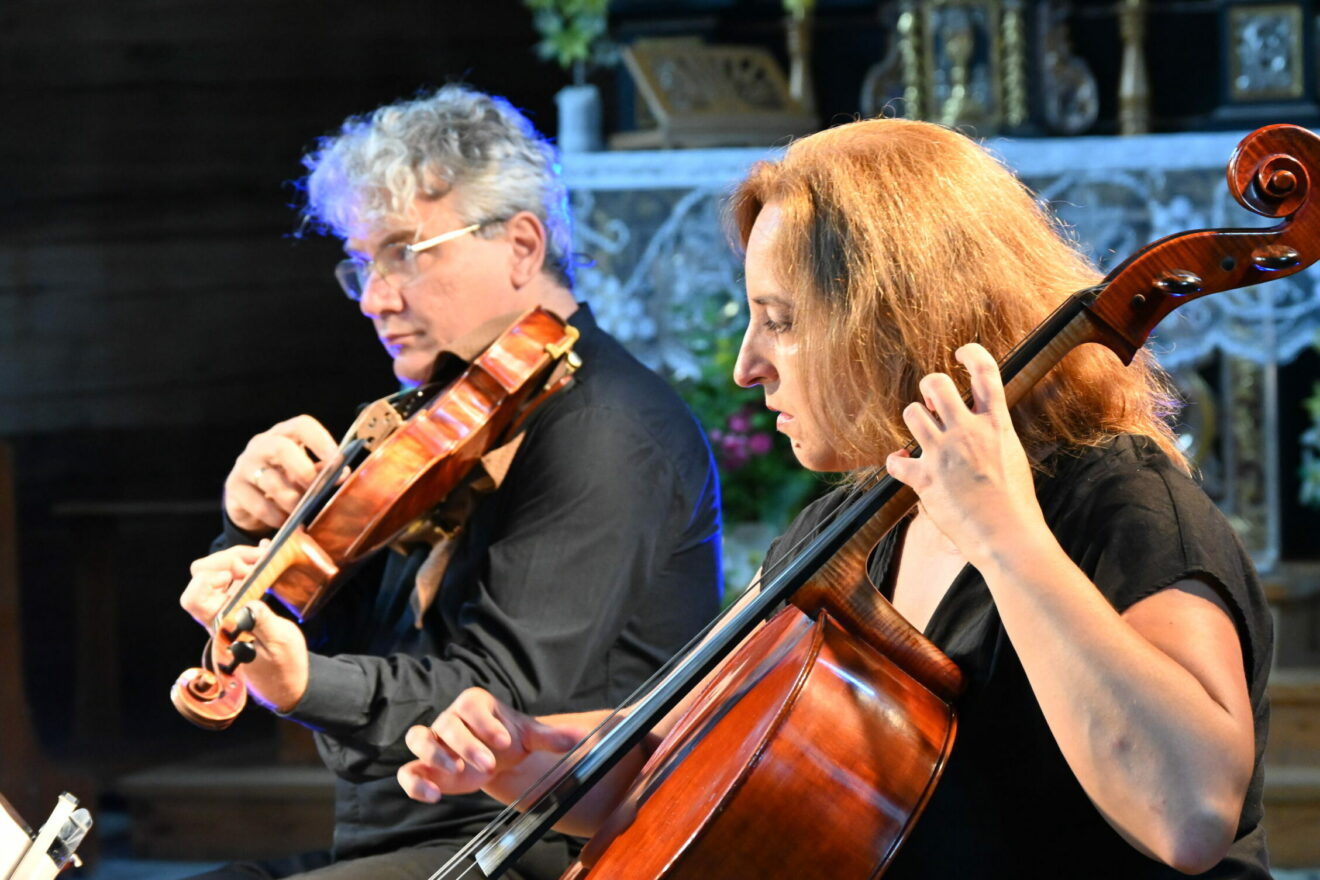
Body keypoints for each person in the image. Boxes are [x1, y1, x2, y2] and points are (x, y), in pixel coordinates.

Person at [397, 116, 1273, 879]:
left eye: (780, 321)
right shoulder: (848, 527)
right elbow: (686, 756)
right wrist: (529, 755)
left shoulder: (1122, 504)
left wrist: (1005, 536)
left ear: (898, 317)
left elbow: (1191, 814)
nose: (747, 366)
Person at [177, 84, 722, 880]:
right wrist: (253, 533)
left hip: (540, 852)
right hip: (410, 846)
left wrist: (305, 683)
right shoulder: (441, 419)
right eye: (363, 263)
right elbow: (345, 631)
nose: (374, 299)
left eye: (405, 252)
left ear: (522, 245)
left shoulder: (607, 426)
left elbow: (502, 706)